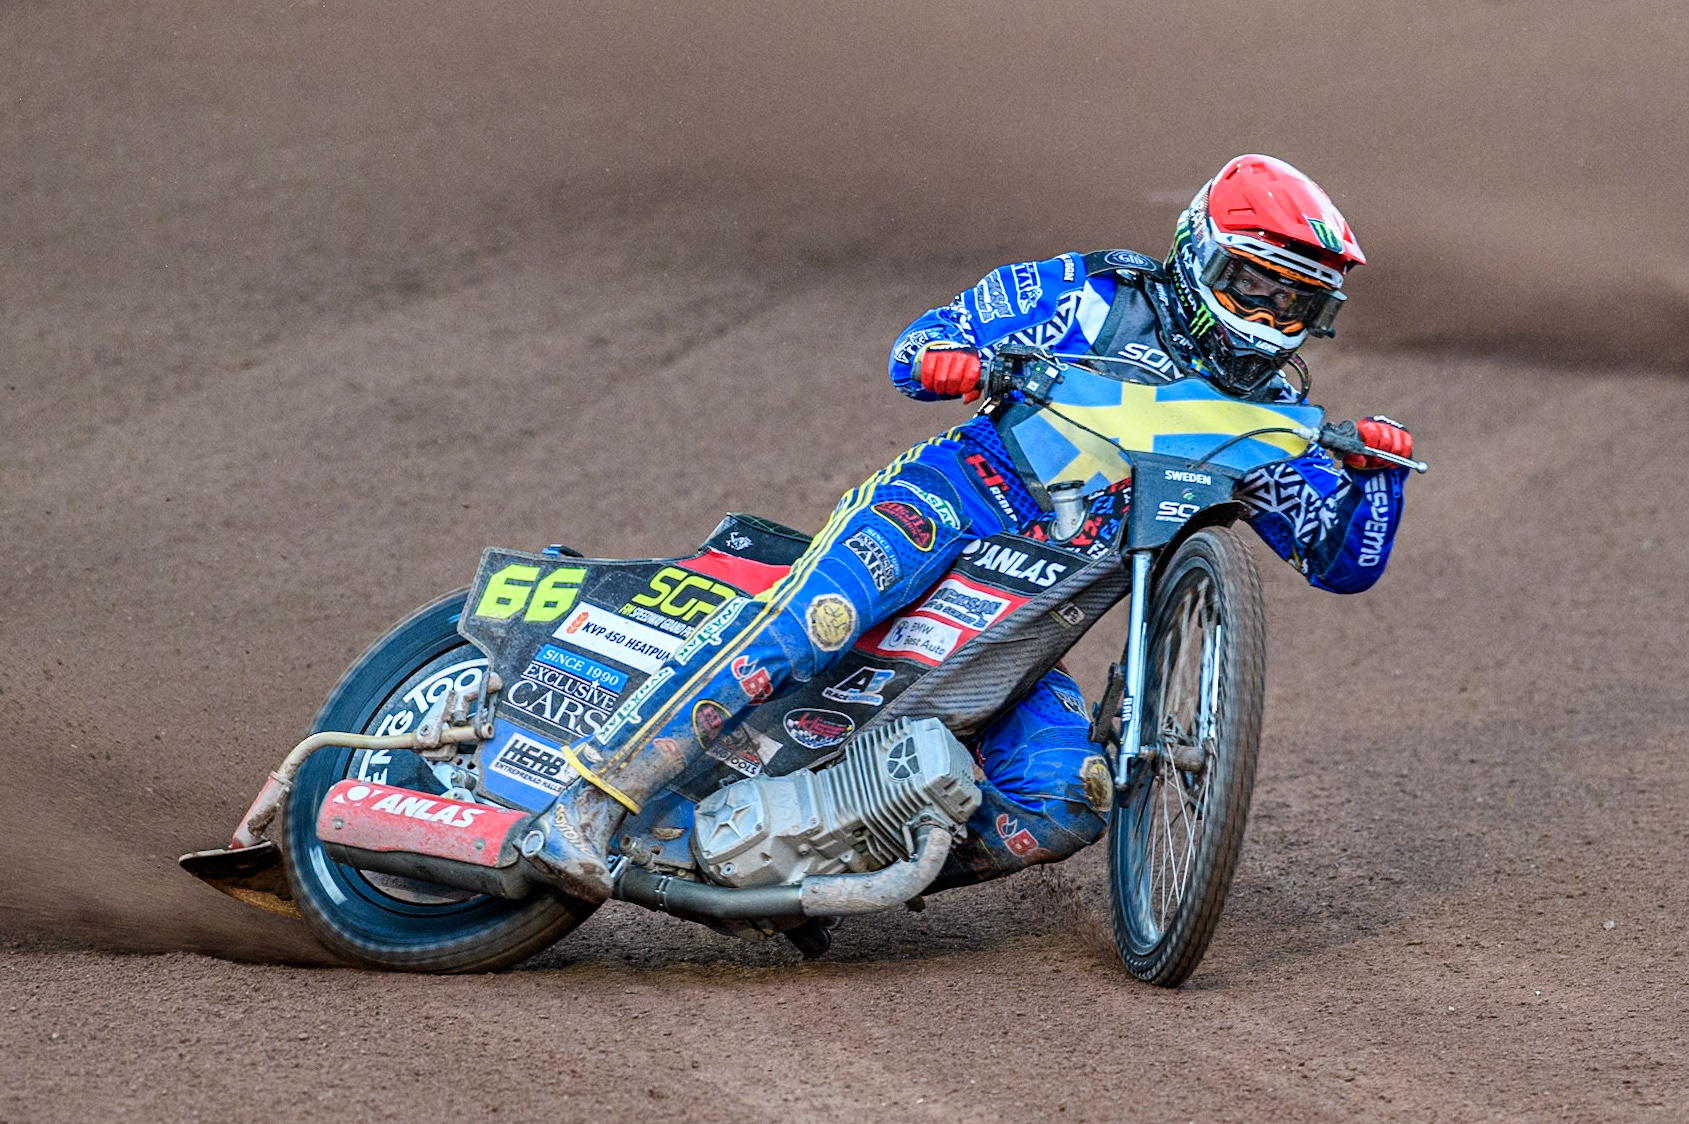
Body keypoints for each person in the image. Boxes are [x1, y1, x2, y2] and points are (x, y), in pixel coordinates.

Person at [527, 154, 1414, 903]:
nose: (1266, 320)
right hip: (947, 507)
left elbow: (1342, 562)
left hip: (1031, 623)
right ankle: (587, 805)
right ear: (1196, 254)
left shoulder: (1273, 421)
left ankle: (828, 867)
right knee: (807, 627)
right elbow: (919, 348)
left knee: (1064, 800)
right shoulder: (1092, 292)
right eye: (1251, 288)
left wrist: (1378, 480)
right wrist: (957, 360)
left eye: (1294, 306)